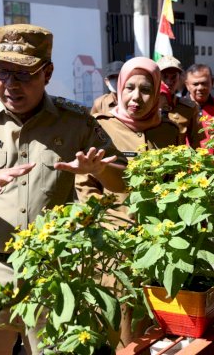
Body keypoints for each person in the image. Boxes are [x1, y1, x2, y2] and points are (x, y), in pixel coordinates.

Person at [0, 24, 126, 354]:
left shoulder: (75, 122)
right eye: (2, 73)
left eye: (23, 74)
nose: (11, 85)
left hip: (53, 272)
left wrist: (100, 170)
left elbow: (126, 181)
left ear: (47, 73)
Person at [75, 56, 178, 346]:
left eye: (146, 89)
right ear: (118, 87)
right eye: (129, 87)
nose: (136, 97)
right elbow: (85, 186)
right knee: (112, 327)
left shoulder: (168, 131)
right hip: (112, 247)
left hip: (157, 243)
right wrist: (102, 228)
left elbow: (175, 182)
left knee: (145, 327)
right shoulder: (100, 127)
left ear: (157, 92)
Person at [157, 56, 204, 148]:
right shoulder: (146, 105)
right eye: (164, 76)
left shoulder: (189, 108)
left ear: (180, 78)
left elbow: (197, 146)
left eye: (173, 76)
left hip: (177, 161)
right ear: (156, 77)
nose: (169, 81)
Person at [184, 63, 214, 153]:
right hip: (188, 166)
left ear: (212, 82)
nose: (200, 88)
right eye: (195, 84)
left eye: (204, 83)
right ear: (187, 85)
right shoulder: (179, 109)